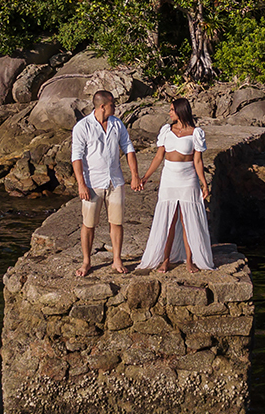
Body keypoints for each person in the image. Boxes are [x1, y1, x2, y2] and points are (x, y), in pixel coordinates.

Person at [137, 97, 214, 273]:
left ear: (180, 111)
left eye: (172, 109)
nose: (169, 112)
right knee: (169, 220)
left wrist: (204, 183)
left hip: (188, 179)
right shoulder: (166, 130)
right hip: (169, 178)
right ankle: (165, 260)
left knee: (188, 220)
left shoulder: (196, 133)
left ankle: (189, 261)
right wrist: (146, 177)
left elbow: (198, 161)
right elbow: (159, 157)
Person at [71, 89, 140, 277]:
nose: (115, 107)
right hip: (92, 182)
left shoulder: (117, 124)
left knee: (117, 222)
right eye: (112, 105)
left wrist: (134, 175)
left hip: (115, 180)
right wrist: (81, 184)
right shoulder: (83, 127)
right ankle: (86, 261)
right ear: (102, 106)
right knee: (89, 224)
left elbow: (128, 149)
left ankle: (117, 259)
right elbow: (76, 157)